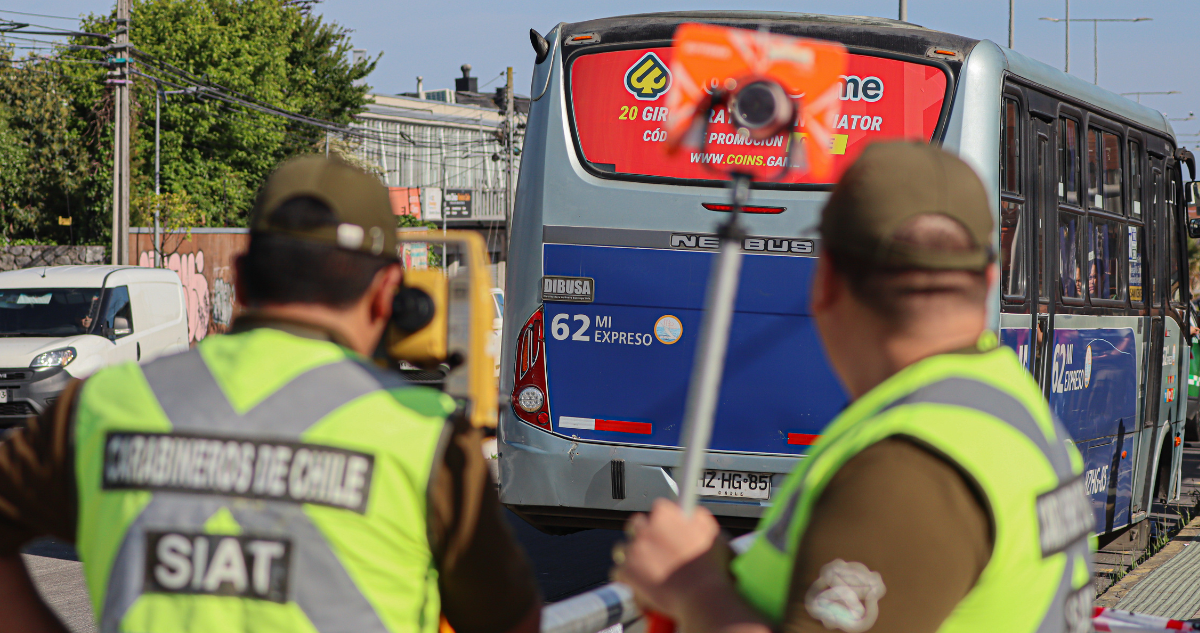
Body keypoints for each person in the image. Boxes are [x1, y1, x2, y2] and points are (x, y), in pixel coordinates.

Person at [0, 156, 541, 633]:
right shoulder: (424, 437)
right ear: (385, 295)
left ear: (241, 279)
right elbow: (511, 620)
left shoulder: (102, 405)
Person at [614, 143, 1093, 633]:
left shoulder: (908, 466)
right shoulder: (1010, 402)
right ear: (990, 276)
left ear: (825, 283)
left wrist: (694, 586)